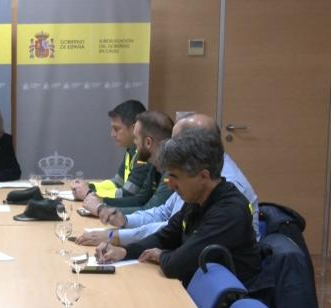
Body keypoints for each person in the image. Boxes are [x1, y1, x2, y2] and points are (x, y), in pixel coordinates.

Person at [95, 128, 260, 286]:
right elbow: (166, 236)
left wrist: (163, 256)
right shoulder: (197, 199)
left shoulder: (229, 211)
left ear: (203, 176)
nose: (170, 185)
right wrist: (124, 252)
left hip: (221, 306)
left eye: (175, 177)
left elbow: (179, 264)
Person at [77, 113, 260, 247]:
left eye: (175, 141)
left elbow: (178, 235)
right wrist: (124, 220)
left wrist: (116, 237)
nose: (168, 146)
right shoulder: (190, 171)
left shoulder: (218, 182)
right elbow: (165, 213)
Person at [80, 110, 172, 216]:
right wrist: (101, 203)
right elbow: (140, 200)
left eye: (136, 138)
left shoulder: (171, 172)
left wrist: (102, 209)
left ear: (148, 143)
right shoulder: (153, 166)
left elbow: (150, 210)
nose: (134, 142)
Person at [73, 100, 155, 204]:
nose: (112, 134)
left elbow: (128, 194)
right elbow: (117, 183)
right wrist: (89, 186)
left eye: (117, 129)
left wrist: (90, 192)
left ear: (134, 128)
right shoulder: (131, 150)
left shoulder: (144, 155)